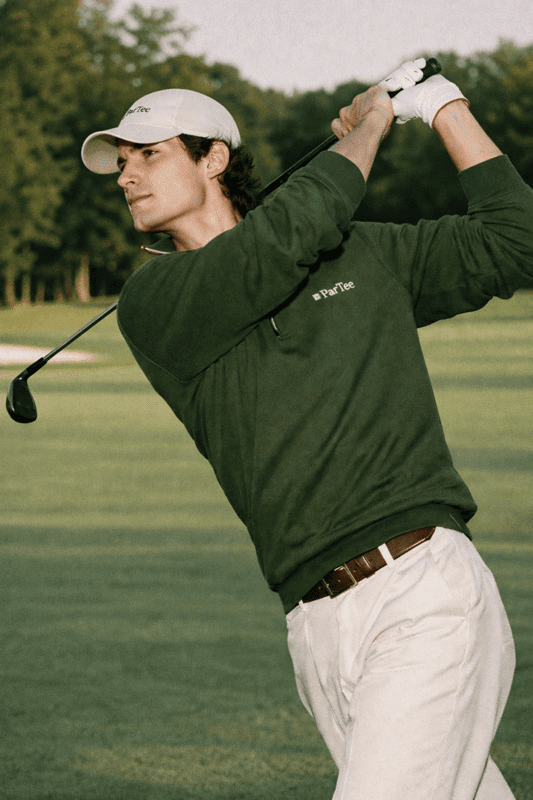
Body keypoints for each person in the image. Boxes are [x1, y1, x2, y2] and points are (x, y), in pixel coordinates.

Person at [81, 62, 533, 799]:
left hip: (421, 591)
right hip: (316, 633)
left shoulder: (361, 255)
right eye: (121, 164)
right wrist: (371, 126)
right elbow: (280, 240)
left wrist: (439, 105)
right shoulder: (155, 301)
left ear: (213, 158)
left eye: (149, 154)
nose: (127, 176)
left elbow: (517, 240)